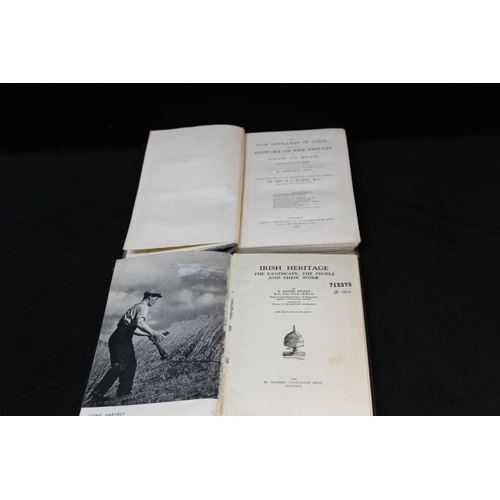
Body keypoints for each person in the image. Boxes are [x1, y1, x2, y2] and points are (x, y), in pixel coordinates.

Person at [90, 290, 165, 403]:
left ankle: (123, 394)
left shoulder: (136, 306)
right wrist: (154, 333)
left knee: (130, 364)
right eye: (155, 299)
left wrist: (148, 334)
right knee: (121, 364)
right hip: (121, 338)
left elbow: (132, 330)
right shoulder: (143, 307)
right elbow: (140, 323)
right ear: (149, 297)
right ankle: (97, 393)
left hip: (121, 337)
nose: (155, 301)